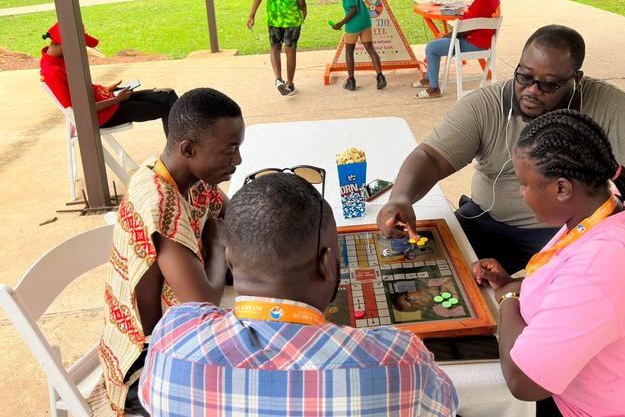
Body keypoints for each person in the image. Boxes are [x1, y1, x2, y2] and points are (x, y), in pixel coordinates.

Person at [377, 25, 625, 279]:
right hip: (487, 220)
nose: (532, 90)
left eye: (549, 83)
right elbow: (432, 157)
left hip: (569, 233)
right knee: (418, 270)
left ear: (575, 80)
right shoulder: (485, 105)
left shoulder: (606, 104)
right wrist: (401, 198)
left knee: (561, 300)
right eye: (525, 75)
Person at [139, 173, 459, 417]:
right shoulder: (401, 361)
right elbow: (446, 405)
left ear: (231, 263)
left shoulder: (172, 339)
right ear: (327, 265)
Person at [472, 109, 625, 417]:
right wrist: (521, 284)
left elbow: (524, 383)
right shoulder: (606, 212)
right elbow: (568, 284)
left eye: (524, 184)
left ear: (561, 188)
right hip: (612, 388)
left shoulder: (598, 268)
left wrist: (508, 297)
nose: (521, 193)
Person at [87, 88, 244, 417]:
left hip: (176, 337)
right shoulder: (159, 200)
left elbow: (234, 218)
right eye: (230, 150)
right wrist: (216, 242)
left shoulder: (190, 178)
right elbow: (201, 302)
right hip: (145, 367)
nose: (238, 160)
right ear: (189, 148)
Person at [40, 22, 178, 136]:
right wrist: (116, 100)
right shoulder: (53, 72)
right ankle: (177, 157)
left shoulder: (59, 60)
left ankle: (184, 151)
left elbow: (81, 92)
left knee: (168, 94)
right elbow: (80, 109)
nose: (83, 48)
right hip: (104, 115)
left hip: (109, 101)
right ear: (66, 43)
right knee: (169, 108)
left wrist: (106, 90)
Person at [304, 0, 387, 91]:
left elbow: (353, 10)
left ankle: (351, 80)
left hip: (354, 22)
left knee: (349, 51)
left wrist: (340, 24)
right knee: (370, 48)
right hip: (365, 19)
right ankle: (380, 76)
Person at [412, 0, 501, 99]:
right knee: (439, 41)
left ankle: (434, 88)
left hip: (472, 43)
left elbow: (461, 31)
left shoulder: (480, 3)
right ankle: (428, 79)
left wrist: (445, 36)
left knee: (432, 47)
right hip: (485, 42)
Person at [246, 0, 307, 97]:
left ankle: (278, 79)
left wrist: (252, 15)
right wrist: (304, 10)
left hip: (273, 17)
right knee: (290, 50)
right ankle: (290, 84)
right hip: (291, 18)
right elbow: (301, 0)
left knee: (275, 47)